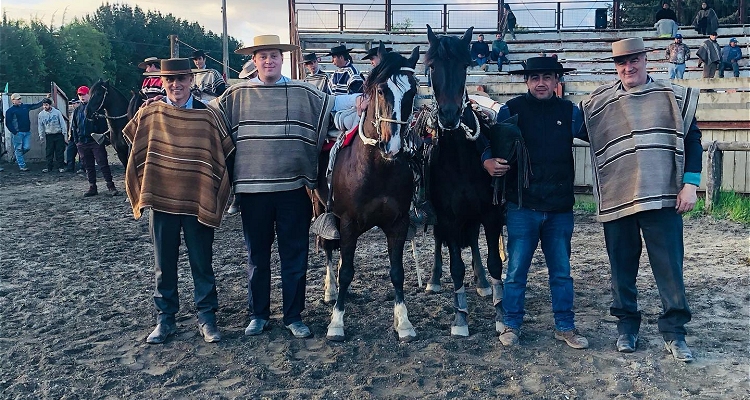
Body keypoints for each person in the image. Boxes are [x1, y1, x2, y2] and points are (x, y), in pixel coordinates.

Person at [216, 35, 360, 339]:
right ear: (254, 61)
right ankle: (259, 315)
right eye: (263, 56)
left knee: (294, 255)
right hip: (253, 192)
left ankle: (294, 316)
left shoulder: (301, 91)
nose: (269, 61)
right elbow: (208, 118)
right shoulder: (236, 94)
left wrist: (364, 99)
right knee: (257, 257)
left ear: (283, 60)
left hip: (293, 189)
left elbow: (334, 103)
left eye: (274, 56)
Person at [579, 38, 702, 362]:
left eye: (634, 60)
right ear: (616, 66)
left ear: (646, 60)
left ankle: (675, 333)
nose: (628, 67)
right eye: (622, 63)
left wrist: (690, 184)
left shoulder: (671, 96)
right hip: (620, 196)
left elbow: (693, 139)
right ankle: (626, 328)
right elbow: (566, 126)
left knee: (669, 269)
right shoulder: (599, 104)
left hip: (663, 196)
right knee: (621, 268)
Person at [478, 57, 588, 349]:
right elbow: (490, 142)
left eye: (547, 77)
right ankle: (512, 324)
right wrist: (487, 160)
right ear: (527, 81)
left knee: (562, 272)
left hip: (559, 207)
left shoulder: (570, 112)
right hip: (522, 206)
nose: (541, 83)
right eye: (535, 77)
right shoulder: (511, 110)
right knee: (515, 271)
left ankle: (565, 326)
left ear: (556, 81)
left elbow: (598, 135)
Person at [123, 57, 235, 344]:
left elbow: (223, 154)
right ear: (163, 83)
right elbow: (133, 142)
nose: (176, 84)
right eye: (170, 80)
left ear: (191, 81)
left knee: (202, 262)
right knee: (164, 263)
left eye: (182, 79)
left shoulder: (207, 115)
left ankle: (207, 318)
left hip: (197, 199)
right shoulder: (151, 113)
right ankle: (165, 320)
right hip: (161, 199)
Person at [69, 85, 119, 197]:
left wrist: (101, 138)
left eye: (84, 94)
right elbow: (74, 126)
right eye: (80, 95)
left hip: (95, 141)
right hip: (82, 142)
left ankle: (111, 186)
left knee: (103, 164)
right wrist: (77, 141)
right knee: (88, 166)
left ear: (89, 95)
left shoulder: (96, 108)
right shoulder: (77, 110)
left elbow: (103, 125)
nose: (82, 97)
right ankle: (92, 187)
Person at [4, 93, 45, 171]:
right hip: (18, 133)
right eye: (17, 99)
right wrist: (14, 132)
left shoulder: (25, 107)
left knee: (27, 147)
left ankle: (16, 157)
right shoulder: (10, 111)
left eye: (20, 99)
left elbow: (35, 106)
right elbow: (8, 123)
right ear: (13, 100)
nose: (19, 100)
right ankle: (22, 166)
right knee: (18, 149)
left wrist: (44, 100)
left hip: (27, 131)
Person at [37, 98, 67, 173]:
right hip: (49, 134)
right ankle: (49, 167)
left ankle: (60, 166)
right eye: (44, 105)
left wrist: (64, 133)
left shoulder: (57, 112)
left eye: (46, 105)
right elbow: (40, 126)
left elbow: (62, 123)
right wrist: (41, 135)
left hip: (58, 133)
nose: (45, 107)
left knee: (59, 151)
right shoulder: (41, 114)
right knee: (49, 151)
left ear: (50, 105)